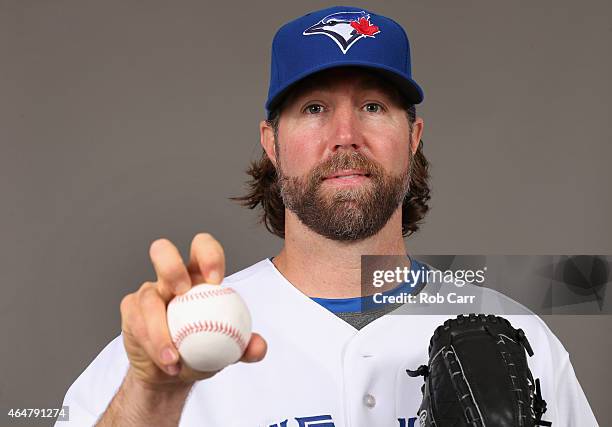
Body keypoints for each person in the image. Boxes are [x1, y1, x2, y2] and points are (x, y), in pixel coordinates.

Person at [57, 6, 598, 426]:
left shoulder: (520, 337)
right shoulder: (170, 350)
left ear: (413, 137)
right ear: (271, 141)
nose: (346, 137)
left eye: (373, 107)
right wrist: (151, 396)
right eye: (314, 108)